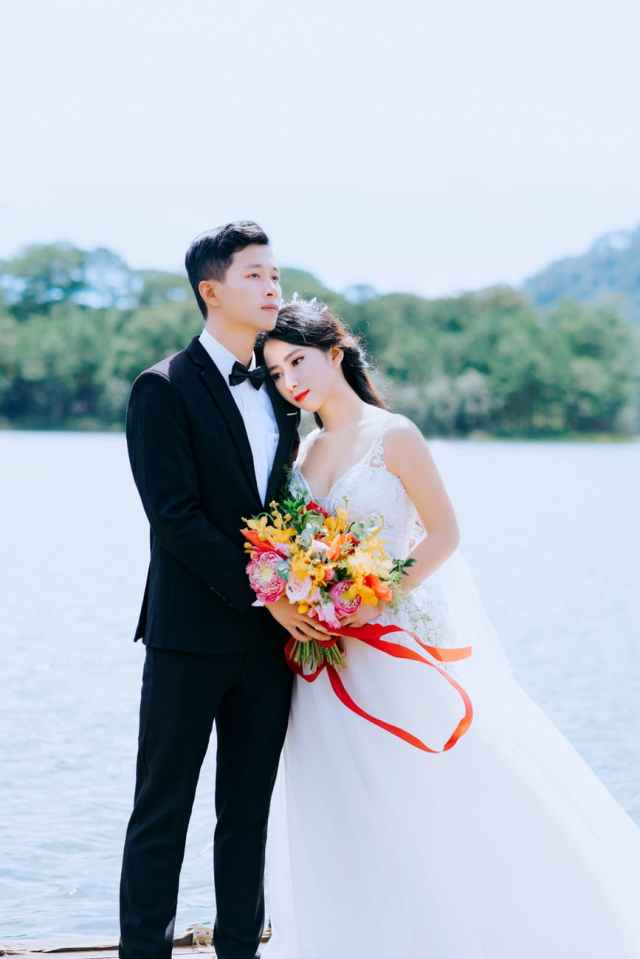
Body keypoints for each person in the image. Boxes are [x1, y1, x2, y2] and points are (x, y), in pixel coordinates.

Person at [258, 297, 640, 959]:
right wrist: (300, 595)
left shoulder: (393, 435)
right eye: (276, 371)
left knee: (423, 797)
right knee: (340, 804)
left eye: (298, 361)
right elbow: (291, 547)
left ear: (335, 353)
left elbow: (444, 534)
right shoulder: (305, 450)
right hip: (322, 666)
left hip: (390, 650)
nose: (290, 379)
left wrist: (374, 595)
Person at [119, 223, 332, 959]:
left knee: (246, 814)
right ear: (211, 290)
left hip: (270, 642)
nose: (273, 288)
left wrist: (309, 583)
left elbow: (285, 507)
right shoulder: (161, 387)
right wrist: (268, 594)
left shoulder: (282, 393)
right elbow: (174, 517)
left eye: (275, 274)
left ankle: (241, 949)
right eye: (255, 276)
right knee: (162, 810)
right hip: (187, 634)